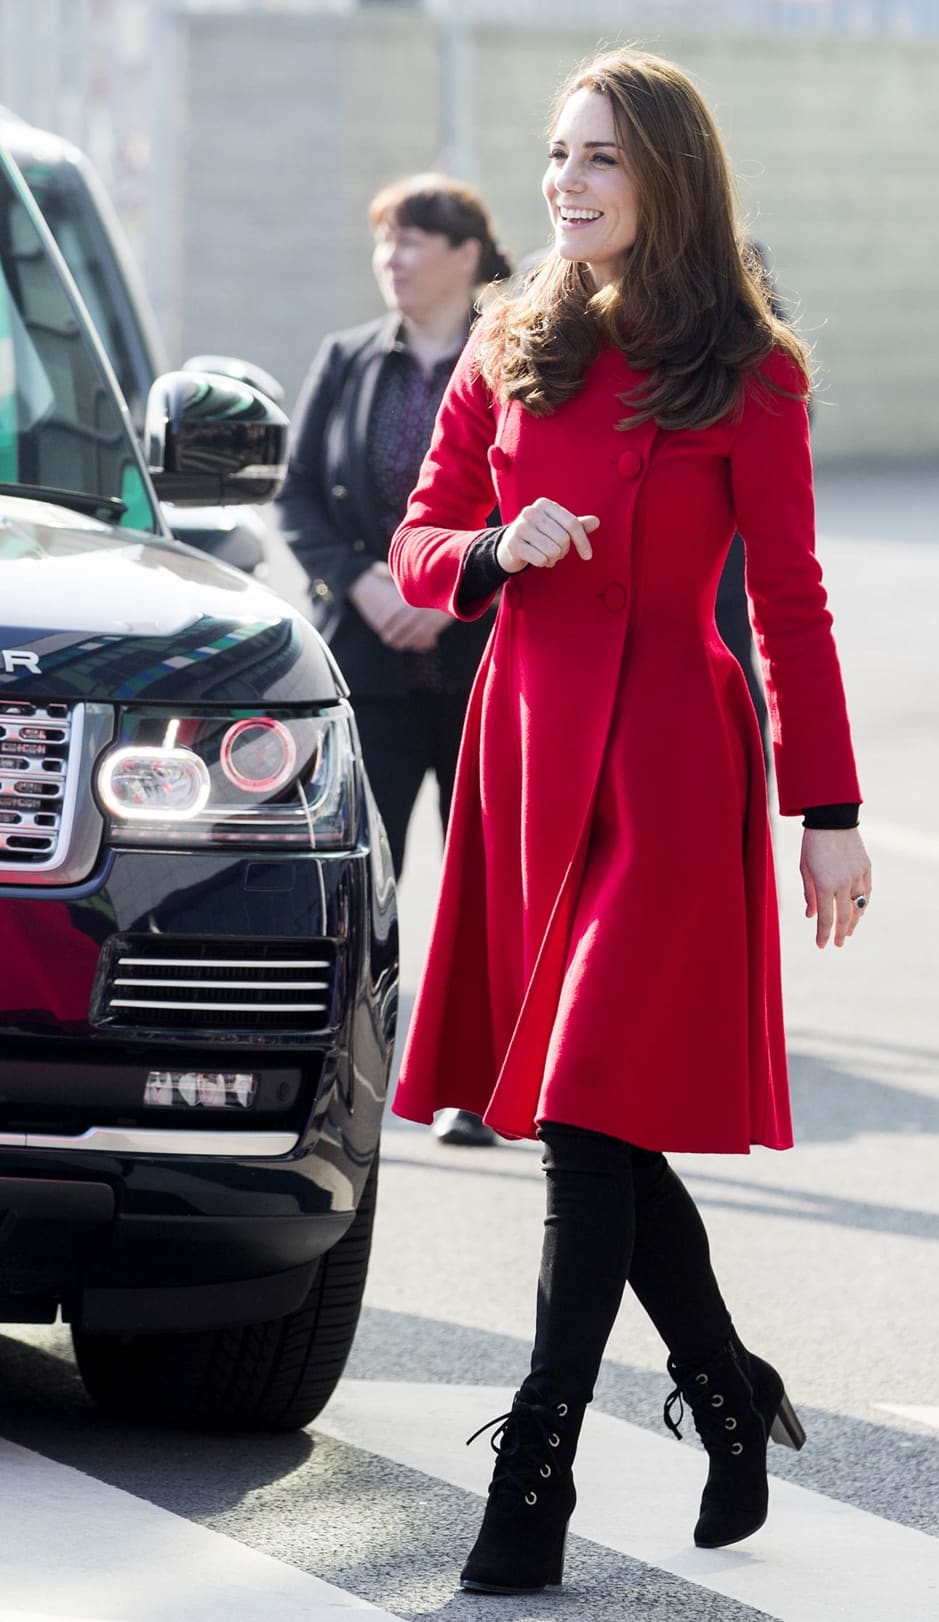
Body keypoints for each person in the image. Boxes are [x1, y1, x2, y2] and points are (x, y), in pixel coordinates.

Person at [389, 50, 871, 1592]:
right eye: (559, 154)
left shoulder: (752, 368)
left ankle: (538, 1464)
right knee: (587, 1120)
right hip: (528, 749)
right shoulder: (508, 340)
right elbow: (415, 544)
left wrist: (833, 812)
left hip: (671, 758)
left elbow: (792, 605)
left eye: (601, 158)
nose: (568, 183)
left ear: (667, 175)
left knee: (589, 1114)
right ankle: (730, 1388)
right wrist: (488, 545)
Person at [276, 173, 511, 1149]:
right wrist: (367, 584)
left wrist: (454, 593)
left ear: (467, 254)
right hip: (369, 655)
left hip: (479, 661)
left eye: (415, 241)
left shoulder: (516, 354)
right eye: (386, 242)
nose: (395, 259)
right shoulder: (346, 358)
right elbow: (297, 500)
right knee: (358, 878)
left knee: (489, 877)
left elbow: (531, 497)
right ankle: (340, 1073)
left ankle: (480, 1081)